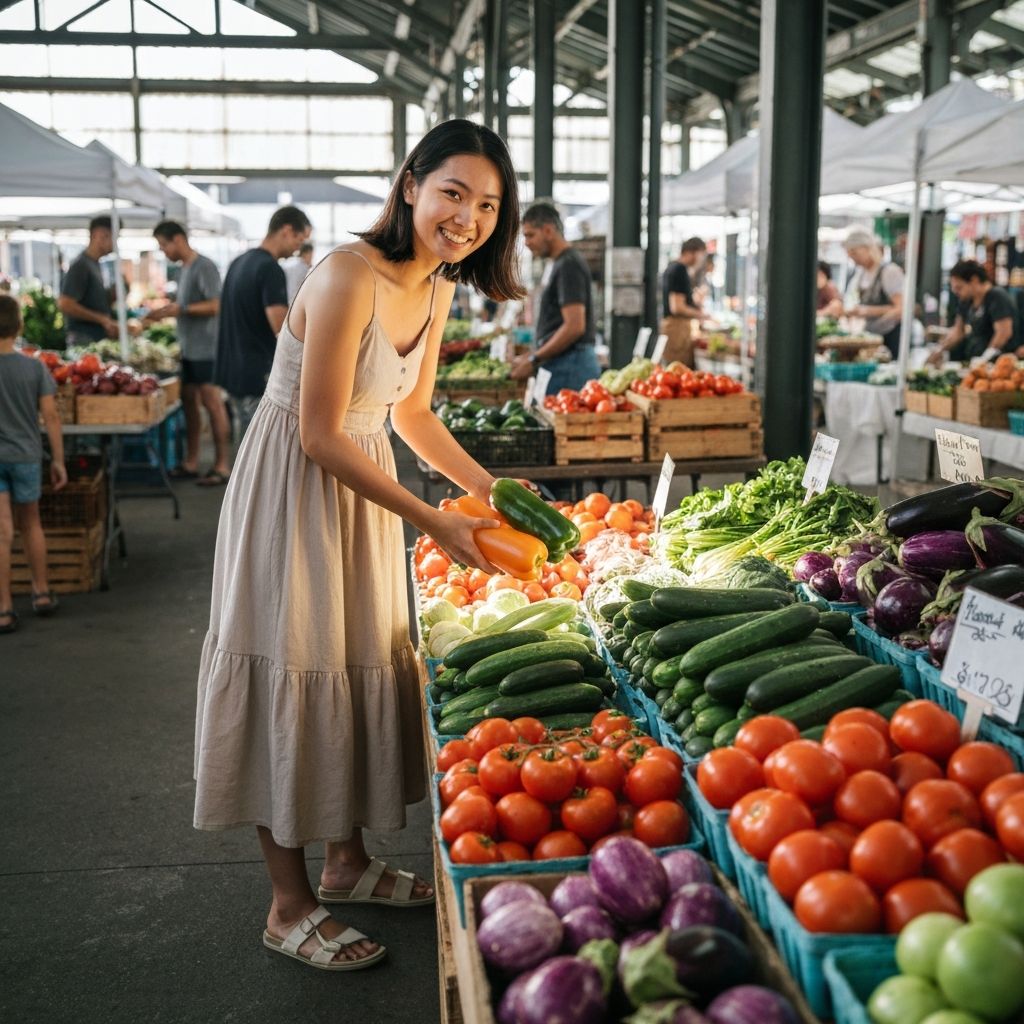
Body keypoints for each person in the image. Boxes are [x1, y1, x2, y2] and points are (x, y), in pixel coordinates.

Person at [193, 118, 524, 971]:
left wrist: (491, 490)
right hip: (299, 488)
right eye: (453, 191)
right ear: (410, 183)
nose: (468, 216)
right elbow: (318, 434)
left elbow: (410, 415)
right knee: (290, 664)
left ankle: (345, 865)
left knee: (346, 663)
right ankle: (287, 902)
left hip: (366, 484)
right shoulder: (345, 274)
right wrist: (430, 517)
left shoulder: (439, 286)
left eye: (487, 203)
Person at [214, 205, 312, 438]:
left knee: (245, 442)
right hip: (257, 374)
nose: (299, 248)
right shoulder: (270, 269)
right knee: (260, 446)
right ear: (286, 230)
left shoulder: (239, 262)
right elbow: (281, 326)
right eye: (300, 239)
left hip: (233, 370)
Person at [0, 296, 67, 633]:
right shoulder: (34, 367)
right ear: (19, 326)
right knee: (31, 524)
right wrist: (58, 460)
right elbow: (51, 417)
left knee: (1, 532)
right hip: (26, 455)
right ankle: (41, 593)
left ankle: (4, 607)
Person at [147, 221, 231, 486]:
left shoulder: (204, 266)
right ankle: (191, 462)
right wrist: (169, 310)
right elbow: (186, 305)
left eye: (164, 245)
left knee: (211, 403)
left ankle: (222, 465)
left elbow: (217, 304)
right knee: (189, 402)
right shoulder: (184, 269)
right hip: (190, 348)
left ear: (178, 239)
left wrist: (181, 310)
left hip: (207, 348)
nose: (164, 252)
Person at [511, 202, 599, 393]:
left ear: (548, 231)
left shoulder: (569, 265)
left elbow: (574, 326)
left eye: (530, 235)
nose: (526, 242)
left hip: (571, 366)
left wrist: (535, 358)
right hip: (560, 363)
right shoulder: (556, 263)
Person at [927, 259, 1016, 366]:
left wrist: (984, 359)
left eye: (959, 288)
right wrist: (939, 350)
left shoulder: (997, 297)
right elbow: (957, 331)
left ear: (974, 280)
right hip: (974, 361)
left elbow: (1003, 333)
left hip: (1001, 364)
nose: (956, 292)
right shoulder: (966, 301)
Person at [843, 228, 905, 358]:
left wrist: (867, 311)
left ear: (867, 248)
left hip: (890, 337)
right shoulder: (860, 273)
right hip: (870, 336)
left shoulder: (889, 272)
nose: (852, 258)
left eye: (854, 252)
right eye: (849, 254)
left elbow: (901, 308)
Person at [58, 215, 118, 346]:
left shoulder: (96, 264)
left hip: (95, 338)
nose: (115, 244)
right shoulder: (81, 265)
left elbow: (92, 299)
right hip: (83, 339)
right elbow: (65, 304)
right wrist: (101, 319)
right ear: (100, 235)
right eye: (114, 238)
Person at [659, 237, 706, 367]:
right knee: (678, 371)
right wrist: (702, 315)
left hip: (673, 328)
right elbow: (677, 307)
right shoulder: (679, 270)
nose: (701, 259)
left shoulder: (673, 267)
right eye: (701, 254)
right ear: (691, 252)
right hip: (677, 330)